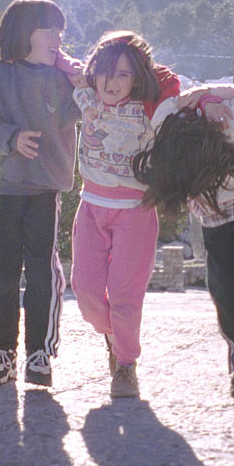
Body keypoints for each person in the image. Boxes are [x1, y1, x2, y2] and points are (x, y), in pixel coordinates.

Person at [133, 86, 234, 403]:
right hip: (211, 206)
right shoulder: (171, 115)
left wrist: (206, 97)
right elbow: (169, 92)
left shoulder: (231, 105)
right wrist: (200, 101)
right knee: (223, 287)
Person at [0, 0, 81, 388]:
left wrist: (85, 86)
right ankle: (3, 353)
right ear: (23, 31)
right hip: (4, 187)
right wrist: (10, 138)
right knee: (3, 273)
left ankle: (40, 355)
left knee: (44, 274)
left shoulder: (59, 79)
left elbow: (81, 109)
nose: (57, 38)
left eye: (60, 32)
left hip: (45, 189)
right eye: (50, 30)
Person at [70, 31, 180, 398]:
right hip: (91, 209)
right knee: (85, 292)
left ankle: (126, 366)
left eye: (122, 74)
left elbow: (171, 82)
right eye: (105, 72)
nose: (111, 82)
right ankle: (116, 336)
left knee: (124, 295)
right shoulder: (86, 98)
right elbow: (63, 63)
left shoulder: (147, 106)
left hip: (135, 213)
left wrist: (139, 60)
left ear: (137, 78)